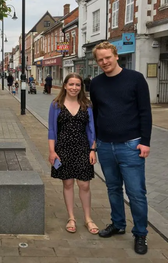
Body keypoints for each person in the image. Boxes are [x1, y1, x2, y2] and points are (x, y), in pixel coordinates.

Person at [90, 41, 152, 255]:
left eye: (108, 57)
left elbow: (145, 111)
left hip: (131, 145)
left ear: (116, 55)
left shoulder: (135, 79)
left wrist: (145, 141)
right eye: (100, 59)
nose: (104, 62)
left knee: (136, 193)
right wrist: (94, 141)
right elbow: (96, 113)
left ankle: (141, 233)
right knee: (113, 188)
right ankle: (118, 224)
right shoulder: (96, 83)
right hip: (106, 146)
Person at [48, 73, 98, 235]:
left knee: (84, 184)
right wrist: (52, 151)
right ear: (65, 85)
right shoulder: (56, 105)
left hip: (83, 149)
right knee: (68, 184)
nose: (74, 88)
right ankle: (71, 217)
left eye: (77, 85)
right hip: (63, 149)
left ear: (81, 87)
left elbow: (92, 129)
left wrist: (92, 150)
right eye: (71, 84)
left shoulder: (87, 105)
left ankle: (88, 218)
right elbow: (52, 130)